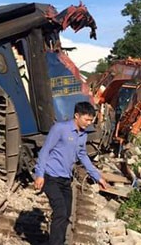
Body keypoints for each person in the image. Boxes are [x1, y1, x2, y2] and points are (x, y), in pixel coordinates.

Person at [34, 101, 108, 245]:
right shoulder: (60, 128)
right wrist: (39, 174)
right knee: (60, 211)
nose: (88, 123)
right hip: (50, 176)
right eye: (86, 119)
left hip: (65, 179)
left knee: (66, 215)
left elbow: (82, 155)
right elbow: (45, 151)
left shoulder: (83, 135)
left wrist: (97, 176)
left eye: (90, 120)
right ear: (76, 115)